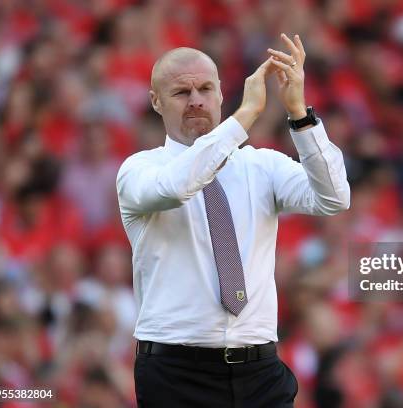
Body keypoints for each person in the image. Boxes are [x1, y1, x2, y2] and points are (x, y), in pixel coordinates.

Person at [116, 33, 350, 407]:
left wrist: (300, 113)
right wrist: (245, 117)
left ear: (221, 93)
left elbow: (334, 197)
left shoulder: (261, 165)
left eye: (205, 88)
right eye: (181, 93)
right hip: (177, 372)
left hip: (260, 369)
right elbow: (179, 186)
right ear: (156, 102)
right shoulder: (140, 169)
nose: (196, 101)